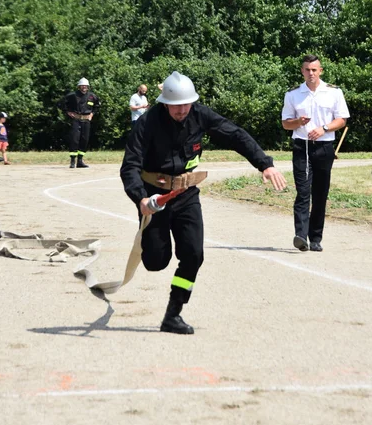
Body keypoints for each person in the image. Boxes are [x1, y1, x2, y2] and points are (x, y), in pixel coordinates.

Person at [120, 71, 287, 335]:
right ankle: (150, 239)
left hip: (186, 195)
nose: (182, 110)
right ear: (165, 103)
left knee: (193, 256)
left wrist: (264, 164)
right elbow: (130, 166)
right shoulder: (147, 123)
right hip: (155, 198)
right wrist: (140, 198)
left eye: (186, 104)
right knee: (155, 261)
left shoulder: (199, 114)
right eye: (176, 105)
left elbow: (235, 135)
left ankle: (173, 314)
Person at [281, 55, 350, 253]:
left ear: (320, 71)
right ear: (302, 71)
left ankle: (316, 237)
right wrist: (298, 122)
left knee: (320, 194)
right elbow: (286, 123)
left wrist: (324, 128)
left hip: (324, 147)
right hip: (302, 147)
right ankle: (301, 236)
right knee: (303, 192)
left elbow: (342, 119)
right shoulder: (293, 94)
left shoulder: (333, 92)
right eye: (307, 70)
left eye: (314, 70)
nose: (311, 73)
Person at [58, 78, 100, 169]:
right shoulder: (72, 95)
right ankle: (73, 160)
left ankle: (80, 161)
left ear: (88, 86)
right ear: (79, 86)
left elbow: (97, 106)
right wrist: (68, 112)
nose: (84, 87)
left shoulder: (92, 96)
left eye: (85, 85)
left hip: (86, 120)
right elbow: (61, 103)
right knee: (74, 139)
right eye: (82, 85)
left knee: (85, 139)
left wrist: (92, 114)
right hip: (76, 120)